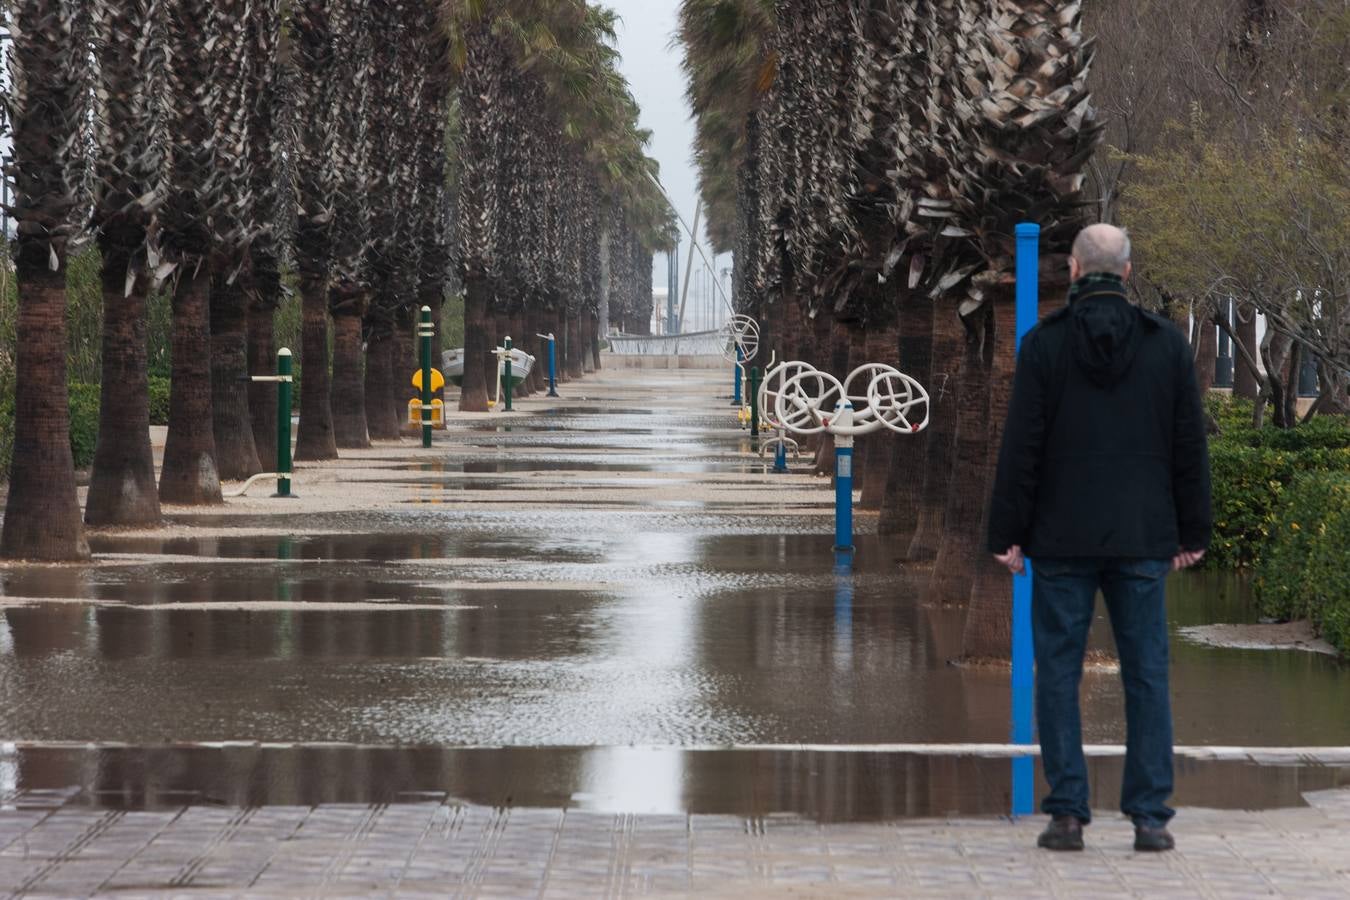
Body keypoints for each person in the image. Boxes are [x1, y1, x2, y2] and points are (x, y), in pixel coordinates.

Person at [987, 224, 1212, 853]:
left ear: (1074, 269)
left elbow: (1021, 448)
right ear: (1130, 271)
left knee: (1057, 672)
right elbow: (1188, 448)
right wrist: (1194, 531)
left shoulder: (1044, 346)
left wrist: (1006, 534)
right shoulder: (1167, 346)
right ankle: (1149, 818)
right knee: (1147, 674)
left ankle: (1067, 815)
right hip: (1143, 537)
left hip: (1059, 538)